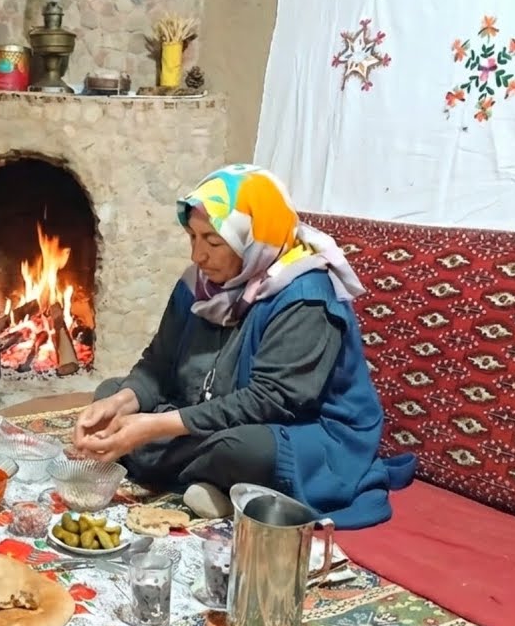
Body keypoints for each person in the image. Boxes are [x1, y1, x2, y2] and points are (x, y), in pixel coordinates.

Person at [73, 163, 415, 529]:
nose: (198, 256)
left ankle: (181, 466)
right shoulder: (198, 284)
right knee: (109, 393)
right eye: (193, 237)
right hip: (211, 414)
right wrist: (121, 403)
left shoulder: (305, 295)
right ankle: (205, 478)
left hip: (297, 430)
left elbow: (270, 401)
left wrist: (153, 427)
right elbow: (158, 363)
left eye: (214, 242)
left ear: (254, 239)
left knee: (243, 451)